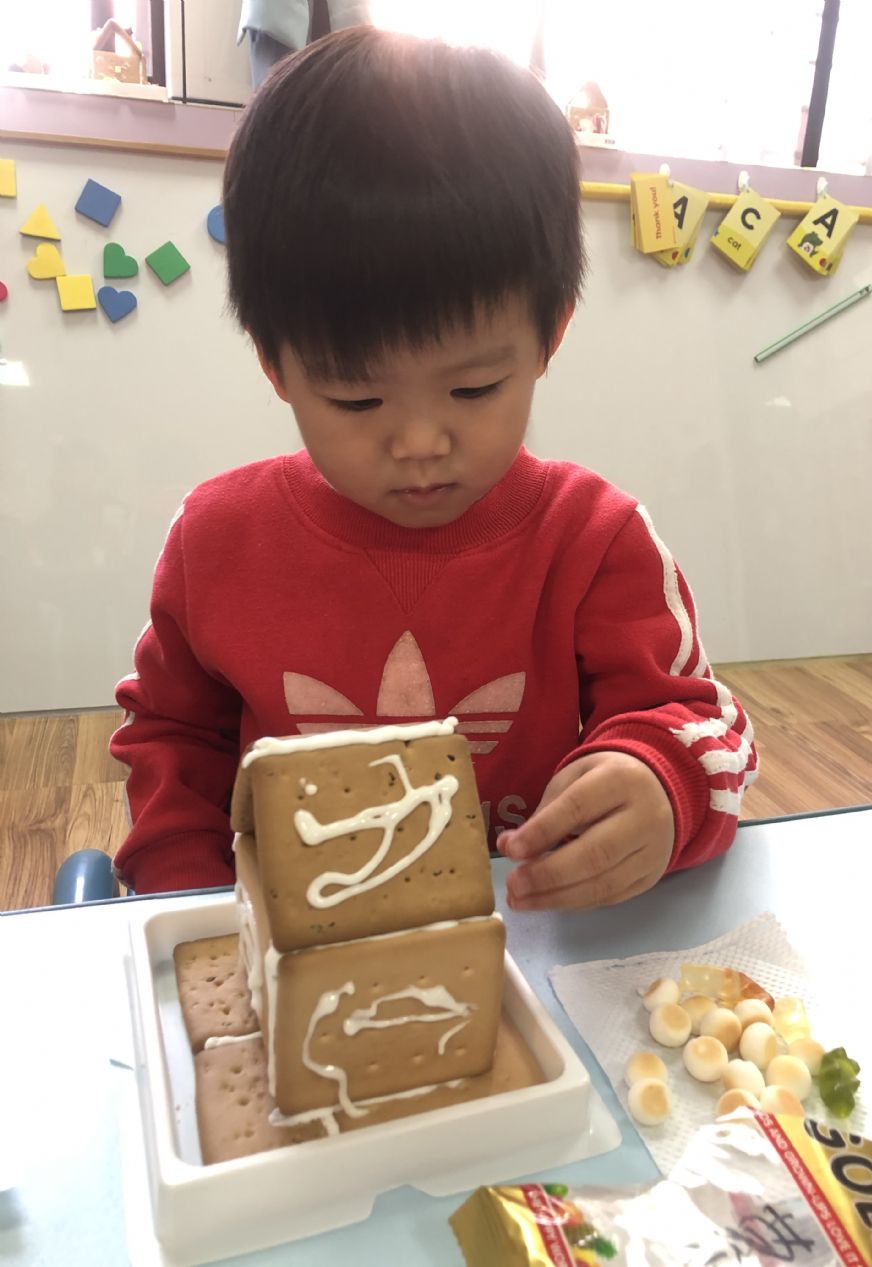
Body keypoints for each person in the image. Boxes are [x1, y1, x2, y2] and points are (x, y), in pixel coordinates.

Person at [110, 25, 757, 909]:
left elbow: (699, 720)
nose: (419, 441)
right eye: (356, 399)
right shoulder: (217, 540)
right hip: (294, 933)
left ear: (549, 337)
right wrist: (190, 900)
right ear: (274, 365)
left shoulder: (596, 539)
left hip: (525, 932)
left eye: (473, 387)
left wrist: (660, 781)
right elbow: (173, 738)